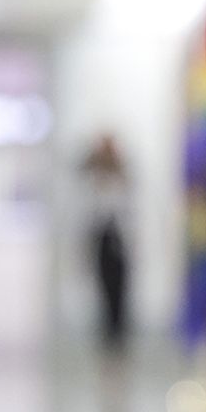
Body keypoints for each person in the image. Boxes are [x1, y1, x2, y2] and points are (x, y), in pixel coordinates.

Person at [81, 133, 131, 346]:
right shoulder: (92, 178)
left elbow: (128, 210)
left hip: (119, 239)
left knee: (120, 288)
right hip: (101, 237)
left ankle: (119, 333)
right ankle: (106, 333)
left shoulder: (124, 177)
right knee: (103, 286)